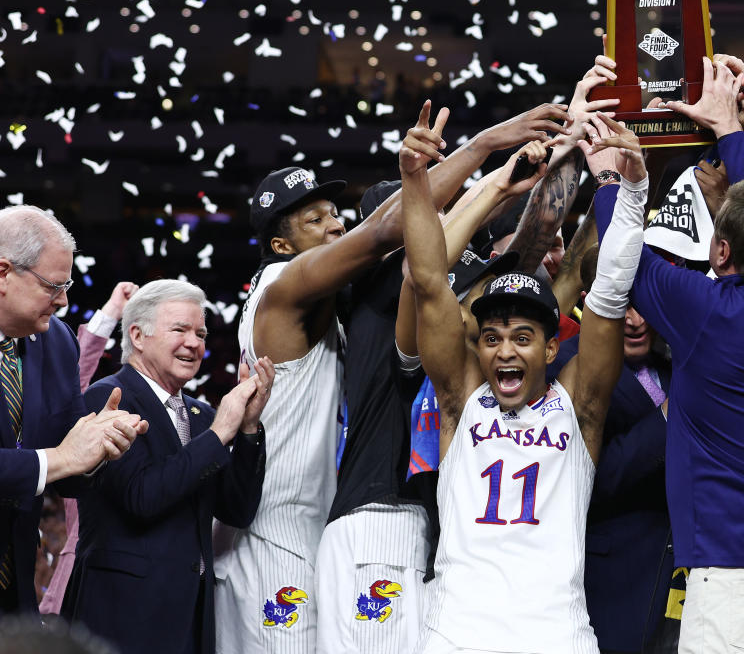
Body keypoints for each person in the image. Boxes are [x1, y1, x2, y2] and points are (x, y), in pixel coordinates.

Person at [216, 99, 567, 654]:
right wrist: (483, 151)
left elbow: (508, 265)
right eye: (315, 221)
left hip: (321, 524)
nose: (335, 225)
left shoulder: (341, 316)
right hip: (276, 532)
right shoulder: (281, 288)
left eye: (335, 213)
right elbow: (388, 234)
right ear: (281, 246)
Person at [602, 59, 744, 654]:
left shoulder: (706, 312)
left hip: (736, 583)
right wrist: (729, 129)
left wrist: (610, 178)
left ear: (721, 250)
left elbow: (624, 254)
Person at [403, 105, 644, 654]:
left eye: (521, 337)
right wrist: (415, 179)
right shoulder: (461, 401)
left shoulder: (578, 406)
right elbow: (427, 281)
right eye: (491, 338)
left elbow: (607, 294)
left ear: (552, 346)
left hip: (555, 636)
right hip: (456, 635)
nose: (505, 351)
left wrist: (629, 191)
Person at [65, 279, 273, 654]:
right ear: (138, 336)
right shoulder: (109, 397)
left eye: (201, 332)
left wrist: (247, 429)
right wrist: (220, 431)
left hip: (191, 616)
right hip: (121, 616)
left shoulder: (202, 415)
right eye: (180, 329)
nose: (194, 342)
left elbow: (237, 510)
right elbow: (142, 498)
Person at [0, 206, 146, 621]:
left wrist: (101, 447)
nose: (63, 301)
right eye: (53, 286)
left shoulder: (56, 341)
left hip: (14, 595)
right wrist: (61, 458)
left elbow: (69, 464)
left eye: (67, 285)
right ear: (3, 274)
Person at [545, 302, 675, 654]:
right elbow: (581, 478)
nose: (635, 321)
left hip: (676, 573)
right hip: (611, 576)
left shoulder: (674, 362)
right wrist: (667, 417)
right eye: (624, 307)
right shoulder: (567, 366)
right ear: (594, 302)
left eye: (645, 305)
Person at [40, 280, 139, 615]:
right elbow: (72, 379)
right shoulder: (80, 444)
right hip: (77, 594)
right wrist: (111, 313)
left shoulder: (185, 427)